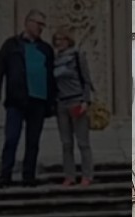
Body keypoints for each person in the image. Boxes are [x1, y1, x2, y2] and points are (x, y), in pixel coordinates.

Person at [0, 9, 57, 188]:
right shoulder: (11, 45)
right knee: (11, 138)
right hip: (16, 99)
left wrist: (52, 101)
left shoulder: (46, 48)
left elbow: (51, 75)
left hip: (38, 100)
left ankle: (29, 175)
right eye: (37, 23)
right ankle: (5, 175)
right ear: (27, 23)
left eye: (43, 25)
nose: (40, 28)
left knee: (33, 141)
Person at [51, 29, 95, 186]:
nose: (58, 42)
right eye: (56, 39)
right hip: (61, 103)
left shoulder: (77, 55)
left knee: (82, 142)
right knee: (66, 143)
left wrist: (85, 101)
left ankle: (87, 175)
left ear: (68, 40)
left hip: (76, 101)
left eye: (61, 38)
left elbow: (86, 79)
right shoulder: (55, 59)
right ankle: (69, 176)